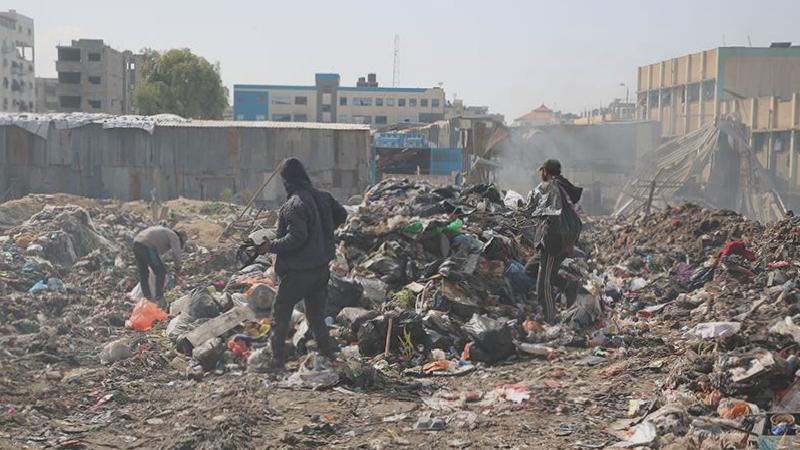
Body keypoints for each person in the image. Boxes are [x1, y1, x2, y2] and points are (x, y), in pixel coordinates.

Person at [259, 157, 348, 370]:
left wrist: (270, 246)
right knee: (316, 316)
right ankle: (327, 353)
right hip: (321, 269)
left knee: (281, 311)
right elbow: (342, 214)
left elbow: (296, 238)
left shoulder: (293, 205)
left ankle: (277, 358)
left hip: (299, 272)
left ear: (287, 180)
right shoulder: (324, 197)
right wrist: (324, 231)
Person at [524, 159, 583, 324]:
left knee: (543, 286)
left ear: (545, 172)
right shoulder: (562, 185)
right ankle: (568, 284)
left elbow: (546, 213)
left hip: (553, 241)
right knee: (530, 268)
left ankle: (549, 319)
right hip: (564, 239)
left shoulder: (549, 187)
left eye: (542, 171)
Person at [133, 226, 185, 305]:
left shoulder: (164, 232)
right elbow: (176, 254)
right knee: (161, 272)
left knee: (144, 274)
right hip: (146, 245)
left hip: (136, 243)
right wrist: (178, 268)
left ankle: (147, 297)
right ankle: (158, 298)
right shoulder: (174, 236)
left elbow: (156, 257)